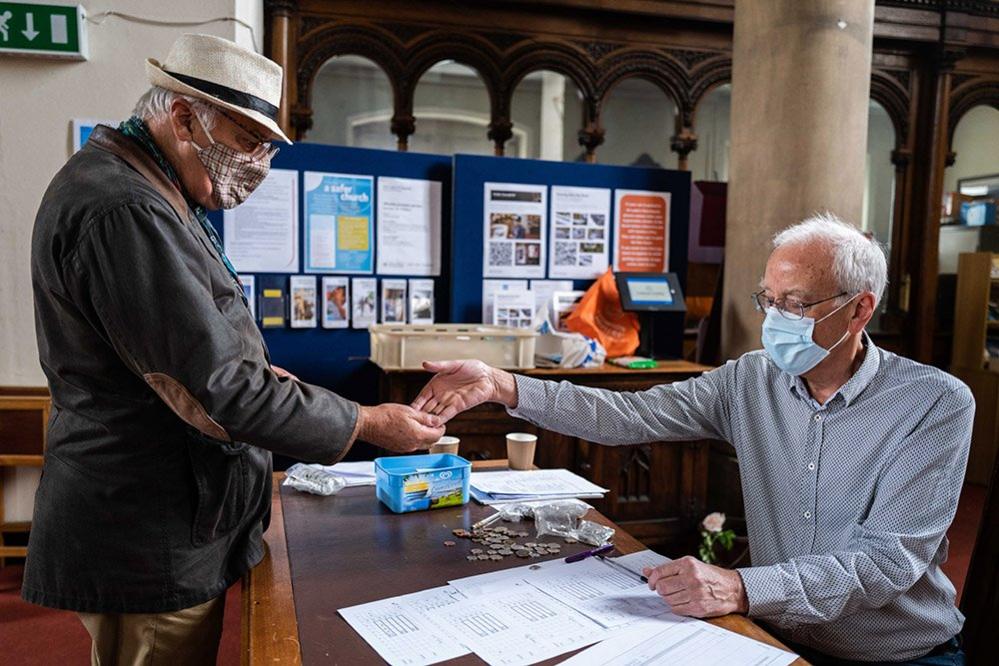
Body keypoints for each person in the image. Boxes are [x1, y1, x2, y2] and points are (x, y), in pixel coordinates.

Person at [27, 33, 443, 665]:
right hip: (150, 526)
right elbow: (211, 388)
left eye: (269, 146)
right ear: (185, 116)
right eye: (249, 140)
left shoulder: (152, 187)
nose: (260, 164)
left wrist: (251, 374)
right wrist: (366, 421)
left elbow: (187, 357)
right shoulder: (126, 207)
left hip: (166, 509)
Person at [413, 214, 973, 666]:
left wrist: (739, 588)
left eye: (797, 304)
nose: (776, 319)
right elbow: (628, 416)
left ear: (859, 310)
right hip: (775, 639)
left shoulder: (933, 403)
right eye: (769, 300)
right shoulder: (750, 379)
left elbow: (886, 563)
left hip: (893, 654)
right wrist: (503, 385)